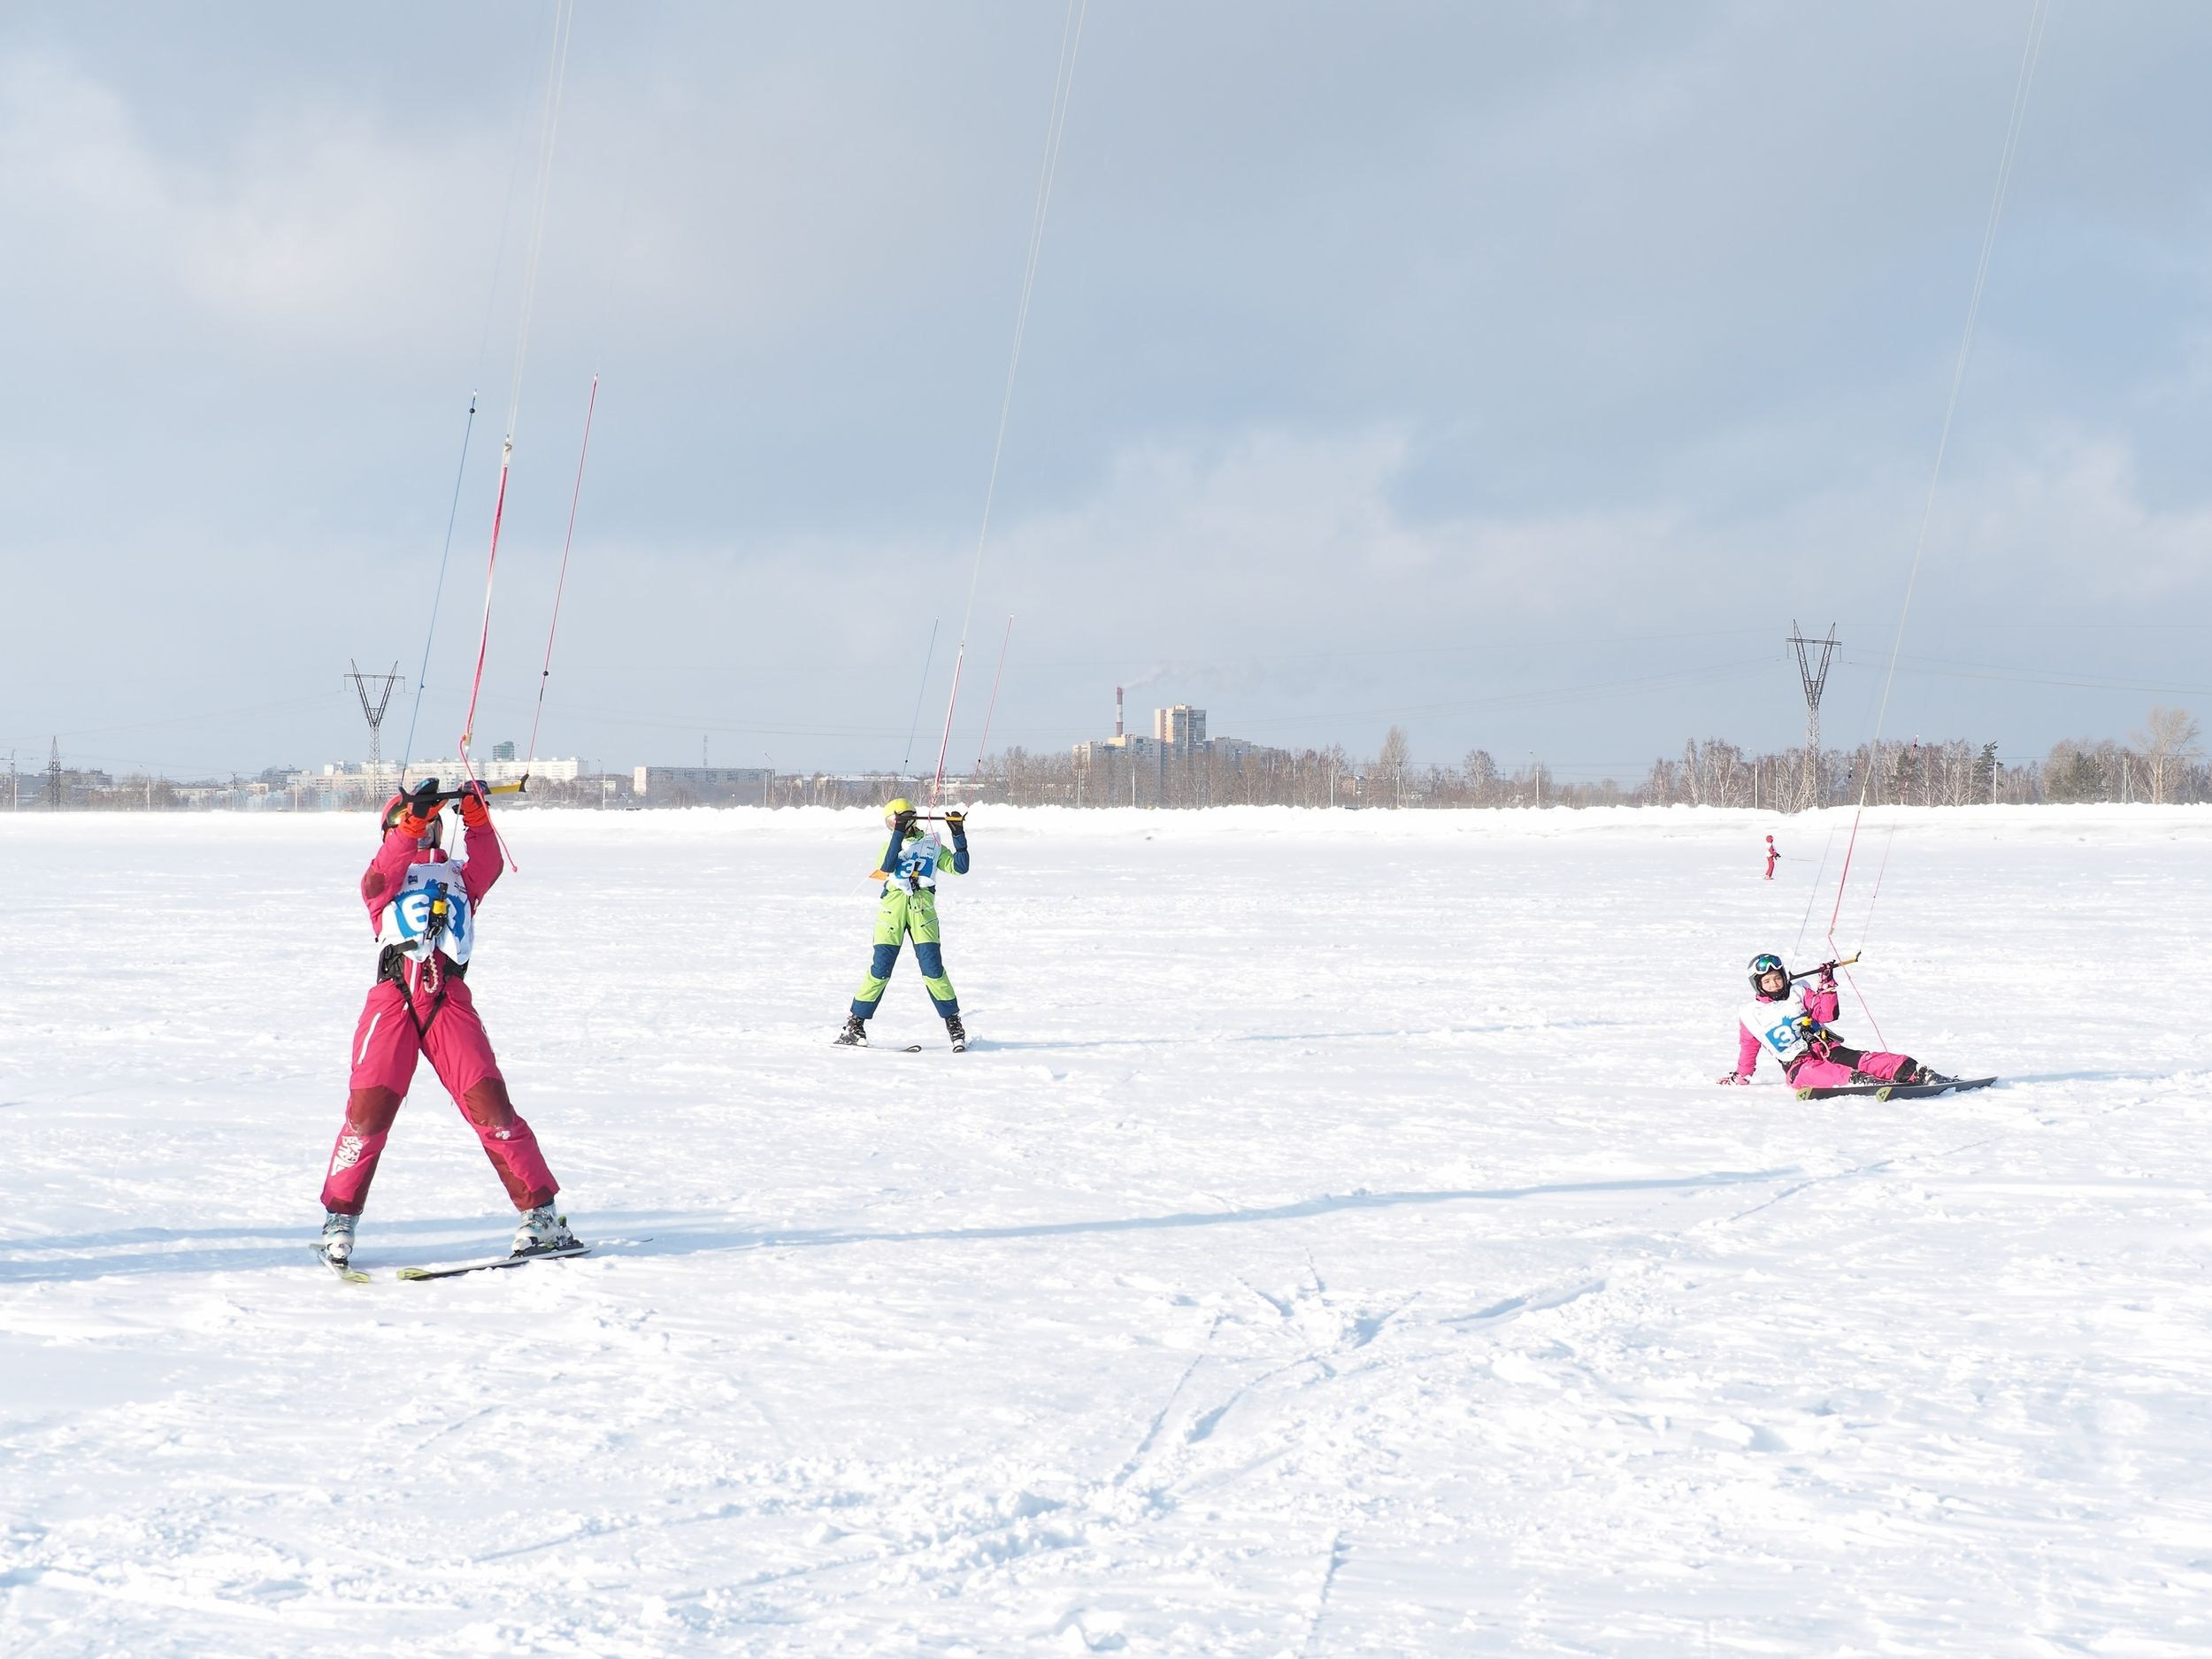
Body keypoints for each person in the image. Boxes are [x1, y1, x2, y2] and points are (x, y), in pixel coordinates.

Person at [315, 779, 574, 1270]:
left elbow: (489, 865)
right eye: (411, 823)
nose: (423, 829)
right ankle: (339, 1218)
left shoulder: (461, 876)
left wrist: (475, 819)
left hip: (448, 1000)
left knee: (492, 1108)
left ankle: (541, 1215)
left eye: (430, 822)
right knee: (367, 1114)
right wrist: (409, 822)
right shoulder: (384, 874)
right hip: (393, 999)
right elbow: (380, 875)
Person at [837, 798, 970, 1050]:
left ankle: (954, 1024)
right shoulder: (890, 846)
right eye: (891, 824)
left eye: (896, 822)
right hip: (892, 915)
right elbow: (887, 866)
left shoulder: (932, 844)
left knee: (934, 970)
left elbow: (960, 867)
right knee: (880, 971)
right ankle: (855, 1025)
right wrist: (898, 833)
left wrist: (959, 836)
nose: (893, 827)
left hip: (923, 913)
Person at [1719, 952, 1955, 1090]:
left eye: (1777, 979)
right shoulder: (1750, 1014)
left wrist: (1827, 985)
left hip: (1825, 1049)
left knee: (1864, 1059)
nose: (1774, 985)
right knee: (1814, 1072)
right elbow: (1748, 1052)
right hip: (1798, 1066)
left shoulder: (1799, 992)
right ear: (1758, 985)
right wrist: (1741, 1077)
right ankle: (1860, 1082)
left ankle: (1916, 1072)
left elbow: (1827, 1015)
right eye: (1767, 981)